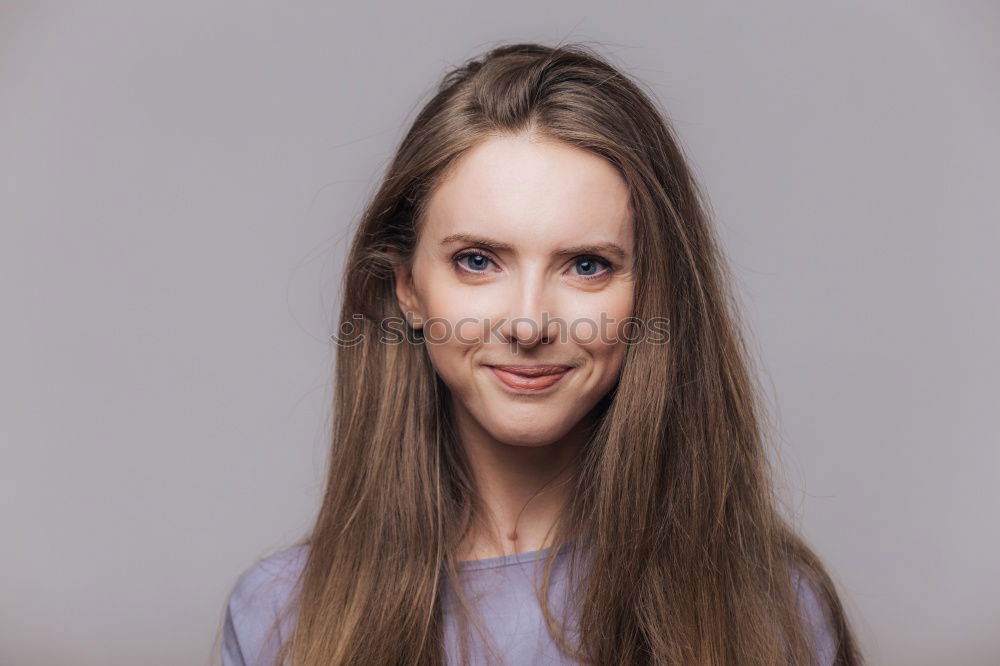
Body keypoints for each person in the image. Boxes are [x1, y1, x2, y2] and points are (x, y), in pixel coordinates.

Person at [219, 42, 864, 665]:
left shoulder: (773, 611)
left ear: (653, 296)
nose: (529, 324)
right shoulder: (280, 618)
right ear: (408, 288)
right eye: (477, 261)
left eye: (586, 265)